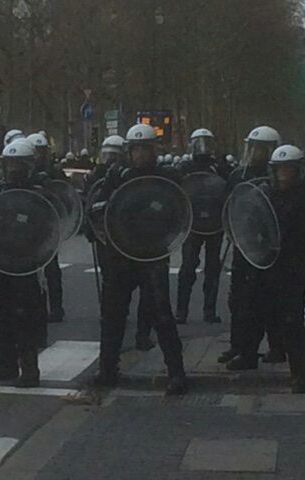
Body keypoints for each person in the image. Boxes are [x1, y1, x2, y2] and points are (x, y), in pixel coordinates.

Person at [93, 123, 187, 395]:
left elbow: (178, 210)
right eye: (135, 150)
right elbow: (99, 205)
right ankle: (108, 368)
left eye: (144, 149)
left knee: (162, 315)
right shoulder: (116, 176)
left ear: (153, 150)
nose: (139, 155)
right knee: (112, 315)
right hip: (120, 253)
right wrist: (97, 225)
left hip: (152, 254)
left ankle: (176, 372)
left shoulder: (165, 178)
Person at [228, 145, 305, 392]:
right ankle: (248, 354)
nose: (282, 175)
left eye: (287, 170)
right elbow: (251, 223)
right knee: (252, 309)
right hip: (265, 263)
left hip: (294, 266)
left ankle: (299, 373)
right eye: (278, 170)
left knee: (291, 320)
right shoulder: (264, 194)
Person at [84, 134, 156, 352]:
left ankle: (143, 335)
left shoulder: (152, 175)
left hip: (147, 243)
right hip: (116, 242)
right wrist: (93, 230)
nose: (109, 160)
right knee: (114, 299)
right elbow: (94, 203)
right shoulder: (111, 176)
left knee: (151, 297)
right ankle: (109, 359)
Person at [0, 138, 46, 388]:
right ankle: (6, 364)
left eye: (18, 165)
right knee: (0, 315)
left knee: (25, 318)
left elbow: (47, 226)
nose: (13, 170)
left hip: (26, 262)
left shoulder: (38, 193)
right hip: (0, 260)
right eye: (9, 164)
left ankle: (29, 369)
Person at [220, 126, 283, 367]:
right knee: (238, 299)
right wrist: (232, 231)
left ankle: (277, 347)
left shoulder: (278, 177)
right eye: (253, 147)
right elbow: (227, 205)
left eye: (262, 148)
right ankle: (238, 345)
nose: (256, 152)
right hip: (243, 244)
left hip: (270, 247)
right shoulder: (239, 175)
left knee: (269, 300)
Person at [176, 128, 227, 325]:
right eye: (199, 143)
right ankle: (181, 311)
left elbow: (228, 190)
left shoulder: (218, 167)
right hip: (192, 223)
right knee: (188, 267)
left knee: (213, 268)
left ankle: (209, 311)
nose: (203, 147)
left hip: (214, 223)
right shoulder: (186, 168)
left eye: (207, 142)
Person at [27, 132, 65, 324]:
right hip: (29, 227)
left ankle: (57, 307)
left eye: (42, 151)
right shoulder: (27, 172)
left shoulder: (54, 171)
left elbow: (63, 195)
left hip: (49, 225)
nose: (40, 155)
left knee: (51, 268)